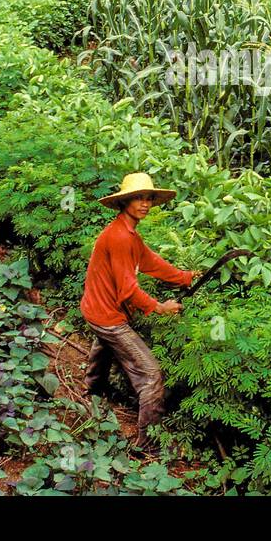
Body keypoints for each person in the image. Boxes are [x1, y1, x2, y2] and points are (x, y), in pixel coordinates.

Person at [80, 172, 195, 458]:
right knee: (151, 375)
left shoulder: (128, 234)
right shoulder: (119, 237)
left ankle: (92, 392)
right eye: (138, 198)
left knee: (104, 346)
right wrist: (160, 307)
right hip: (107, 315)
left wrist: (184, 277)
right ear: (125, 202)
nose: (144, 204)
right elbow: (128, 290)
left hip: (97, 309)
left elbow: (150, 262)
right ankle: (148, 445)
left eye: (148, 198)